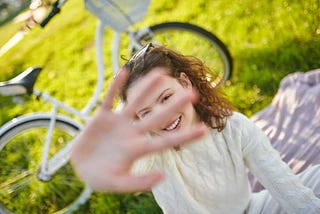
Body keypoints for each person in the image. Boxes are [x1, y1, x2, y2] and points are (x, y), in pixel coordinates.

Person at [71, 43, 320, 214]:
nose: (162, 117)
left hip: (254, 208)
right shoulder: (153, 152)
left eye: (166, 98)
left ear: (185, 83)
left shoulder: (234, 126)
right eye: (146, 113)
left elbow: (285, 186)